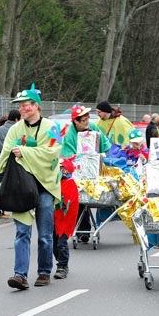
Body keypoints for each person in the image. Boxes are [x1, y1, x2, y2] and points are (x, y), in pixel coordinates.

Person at [0, 83, 61, 290]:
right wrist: (1, 174)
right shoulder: (15, 129)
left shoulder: (52, 128)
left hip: (45, 185)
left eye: (27, 105)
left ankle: (44, 272)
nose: (23, 108)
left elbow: (52, 153)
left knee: (44, 234)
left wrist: (24, 152)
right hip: (21, 187)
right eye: (21, 105)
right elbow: (6, 153)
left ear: (37, 106)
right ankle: (20, 275)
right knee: (22, 232)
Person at [61, 104, 112, 243]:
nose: (87, 122)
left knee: (89, 200)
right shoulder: (70, 135)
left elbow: (106, 146)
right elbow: (68, 156)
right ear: (75, 121)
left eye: (88, 118)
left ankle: (84, 229)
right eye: (83, 120)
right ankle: (82, 231)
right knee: (80, 200)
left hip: (96, 170)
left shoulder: (94, 128)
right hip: (77, 172)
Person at [0, 109, 20, 222]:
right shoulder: (17, 130)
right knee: (18, 188)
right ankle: (19, 212)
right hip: (12, 162)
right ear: (16, 119)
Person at [53, 158, 79, 280]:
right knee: (53, 244)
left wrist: (63, 202)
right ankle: (60, 261)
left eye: (61, 168)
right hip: (54, 217)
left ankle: (62, 266)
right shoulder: (55, 183)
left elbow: (70, 203)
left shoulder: (70, 183)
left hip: (65, 218)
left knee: (61, 243)